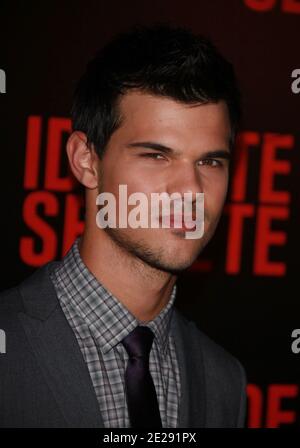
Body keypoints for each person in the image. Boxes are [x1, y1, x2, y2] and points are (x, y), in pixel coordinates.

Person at [0, 23, 247, 428]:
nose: (190, 190)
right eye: (156, 155)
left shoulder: (224, 381)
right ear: (86, 160)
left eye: (210, 162)